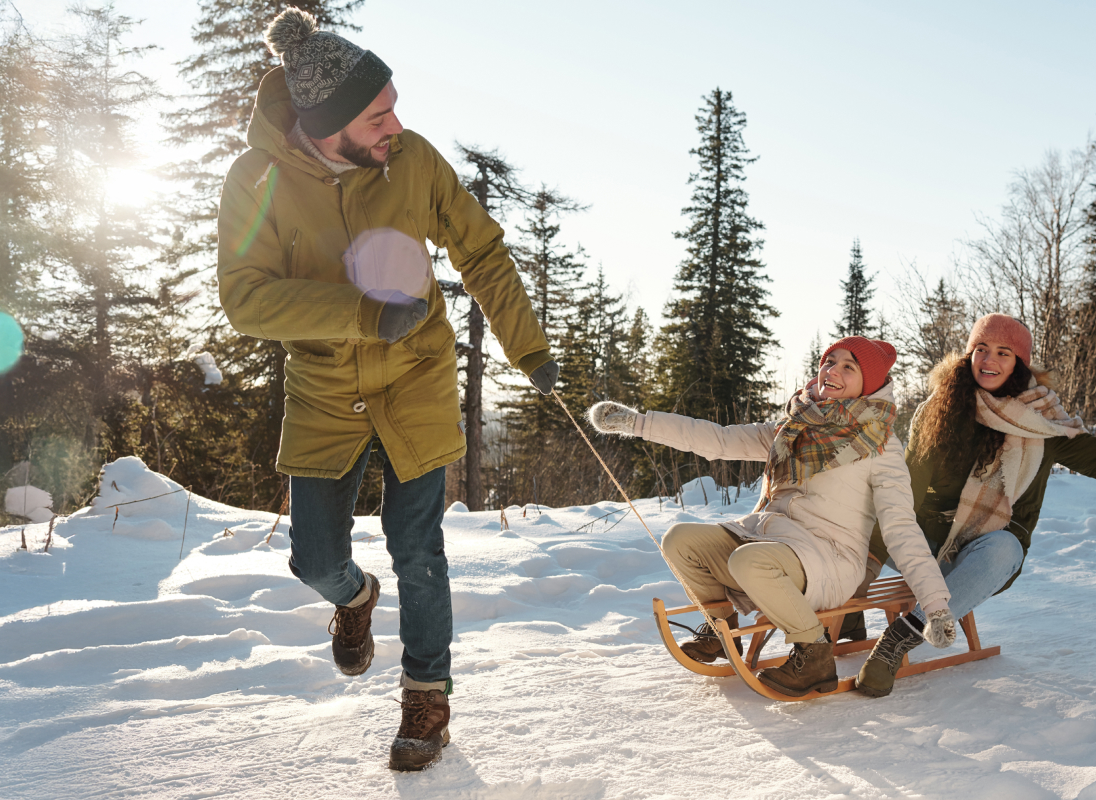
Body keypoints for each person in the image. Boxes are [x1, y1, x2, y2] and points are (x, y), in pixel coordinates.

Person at [215, 7, 557, 771]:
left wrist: (529, 350)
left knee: (419, 547)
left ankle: (426, 701)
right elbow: (245, 297)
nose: (395, 125)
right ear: (326, 126)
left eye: (394, 103)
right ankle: (354, 598)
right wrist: (361, 314)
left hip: (417, 378)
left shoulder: (415, 163)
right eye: (378, 115)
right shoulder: (256, 181)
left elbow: (484, 255)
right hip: (326, 387)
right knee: (312, 560)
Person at [855, 314, 1096, 697]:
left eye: (1003, 352)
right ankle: (847, 616)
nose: (989, 360)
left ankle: (899, 639)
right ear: (968, 355)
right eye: (980, 349)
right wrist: (868, 559)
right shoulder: (940, 408)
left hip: (985, 551)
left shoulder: (1044, 424)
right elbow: (906, 490)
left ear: (1020, 363)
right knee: (864, 504)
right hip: (927, 541)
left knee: (1002, 550)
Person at [589, 337, 955, 696]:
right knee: (680, 541)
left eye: (849, 367)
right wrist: (637, 423)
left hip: (830, 558)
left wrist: (935, 606)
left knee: (750, 562)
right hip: (771, 537)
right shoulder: (795, 427)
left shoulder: (881, 445)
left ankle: (814, 653)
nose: (834, 371)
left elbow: (901, 527)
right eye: (830, 361)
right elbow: (718, 439)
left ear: (868, 384)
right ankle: (721, 628)